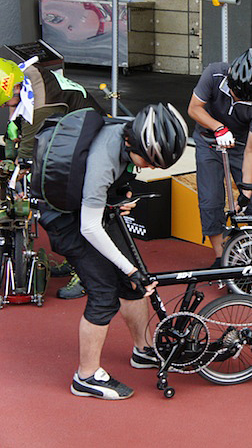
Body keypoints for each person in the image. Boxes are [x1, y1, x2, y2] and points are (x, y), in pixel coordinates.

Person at [37, 103, 188, 400]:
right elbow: (89, 227)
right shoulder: (103, 160)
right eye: (150, 161)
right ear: (134, 143)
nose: (151, 168)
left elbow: (116, 183)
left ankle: (143, 350)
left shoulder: (130, 132)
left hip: (92, 208)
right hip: (67, 221)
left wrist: (119, 197)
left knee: (135, 283)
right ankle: (86, 377)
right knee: (104, 292)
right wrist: (128, 268)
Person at [0, 57, 104, 299]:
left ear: (15, 87)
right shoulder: (25, 74)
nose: (6, 107)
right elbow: (22, 121)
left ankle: (88, 275)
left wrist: (18, 182)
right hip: (73, 136)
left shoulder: (43, 103)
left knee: (76, 211)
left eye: (6, 102)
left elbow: (28, 154)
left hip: (89, 146)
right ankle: (75, 259)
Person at [187, 48, 252, 268]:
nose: (239, 99)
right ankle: (222, 258)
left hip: (241, 145)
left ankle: (251, 257)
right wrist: (218, 127)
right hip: (208, 141)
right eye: (237, 94)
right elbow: (194, 109)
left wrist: (246, 192)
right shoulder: (214, 74)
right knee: (210, 200)